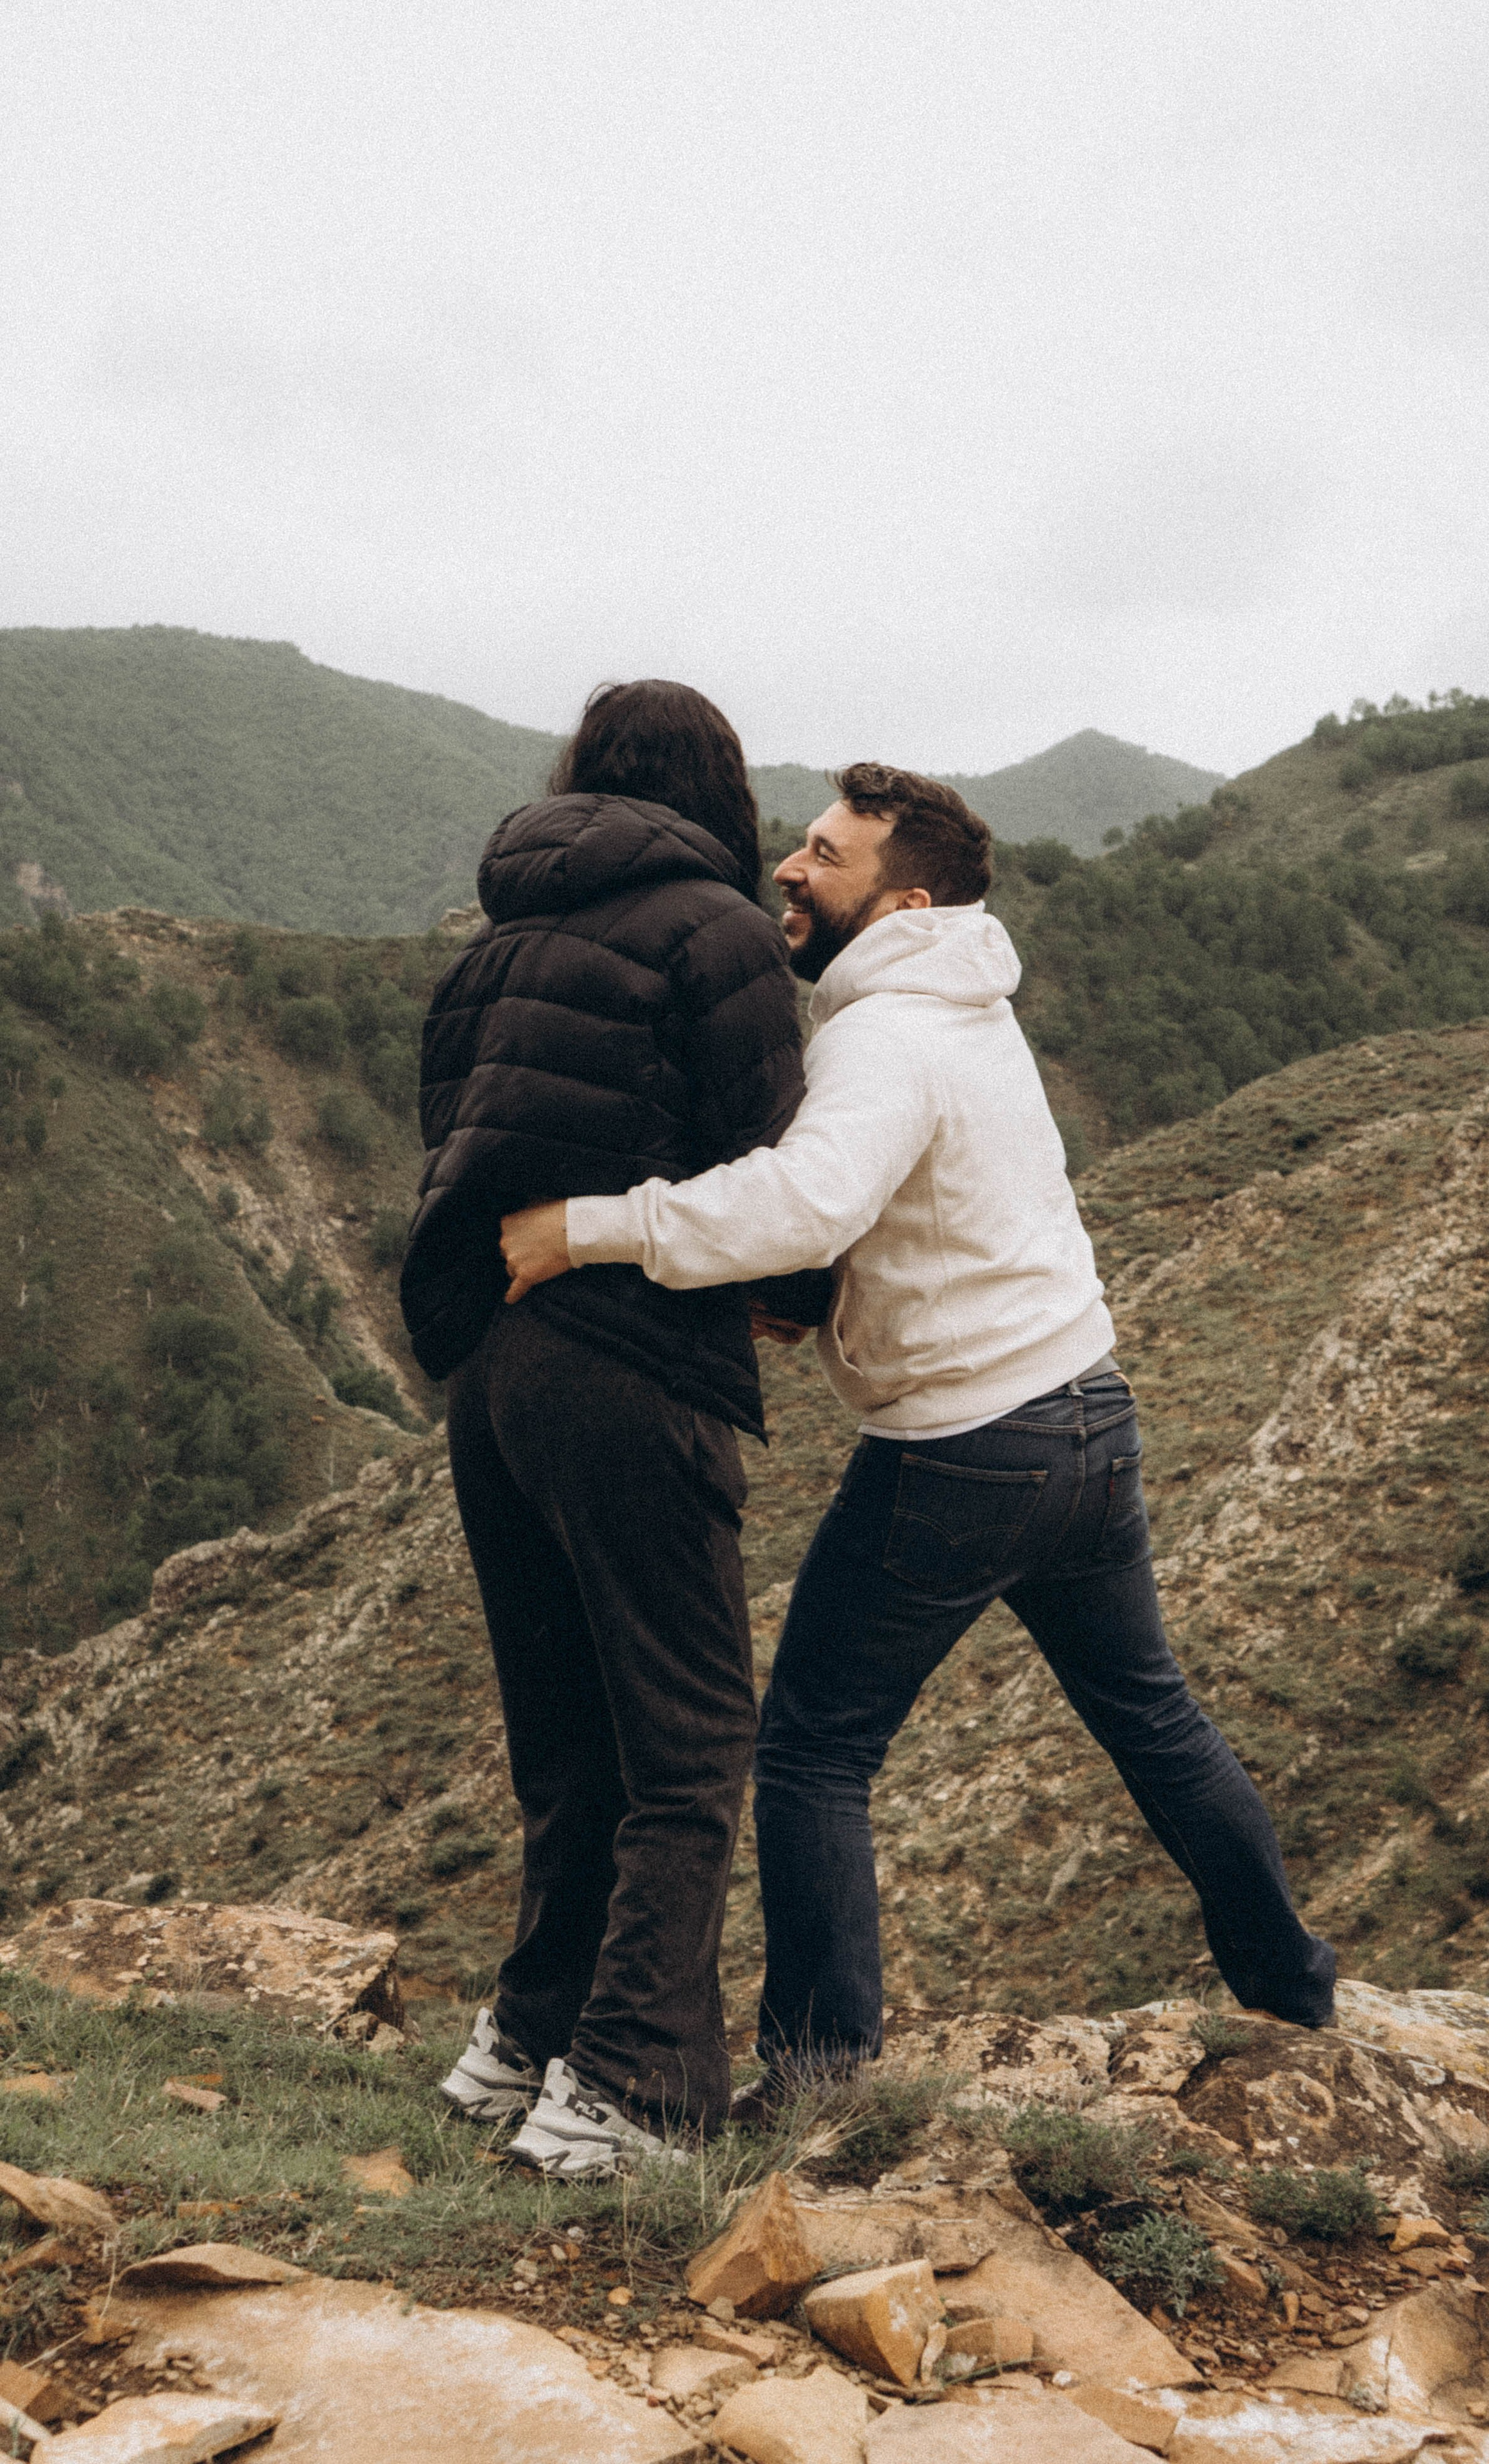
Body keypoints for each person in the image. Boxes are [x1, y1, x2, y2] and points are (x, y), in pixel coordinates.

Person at [499, 762, 1337, 2109]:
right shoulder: (963, 1007)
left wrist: (589, 1225)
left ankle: (818, 2076)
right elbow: (925, 1210)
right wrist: (831, 1309)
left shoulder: (882, 1032)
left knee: (813, 1749)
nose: (789, 868)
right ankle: (1291, 1986)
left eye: (824, 856)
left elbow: (809, 1202)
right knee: (1153, 1722)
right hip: (1084, 1413)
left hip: (964, 1450)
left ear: (904, 897)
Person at [399, 679, 827, 2177]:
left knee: (568, 1735)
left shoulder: (496, 946)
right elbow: (774, 1155)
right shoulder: (715, 932)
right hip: (632, 1364)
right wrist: (795, 1294)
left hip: (496, 1376)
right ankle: (635, 2085)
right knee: (691, 1734)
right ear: (721, 789)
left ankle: (521, 2043)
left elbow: (456, 1151)